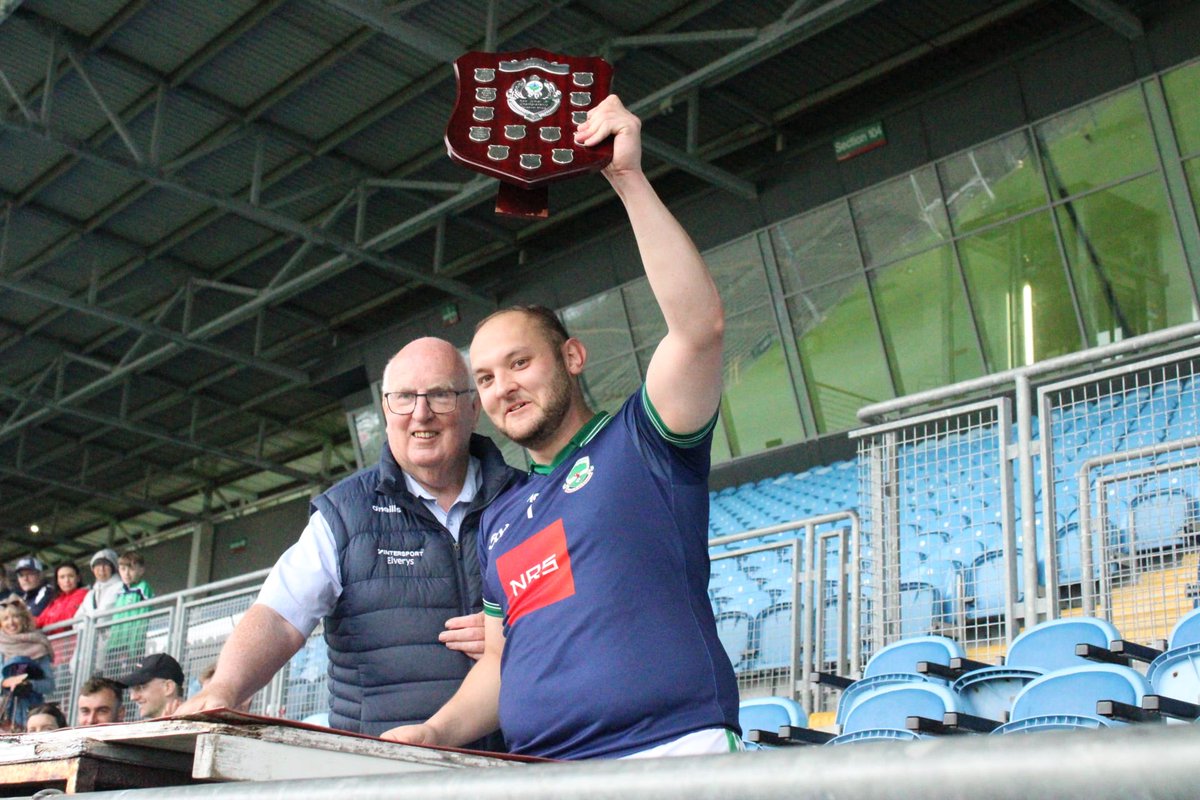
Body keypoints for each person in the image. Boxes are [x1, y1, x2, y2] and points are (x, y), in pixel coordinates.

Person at [382, 95, 740, 760]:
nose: (503, 387)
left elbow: (699, 329)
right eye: (486, 378)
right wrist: (435, 731)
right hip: (545, 774)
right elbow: (500, 663)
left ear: (572, 357)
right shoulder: (500, 519)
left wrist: (627, 178)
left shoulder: (644, 440)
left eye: (520, 363)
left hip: (668, 752)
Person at [177, 338, 521, 740]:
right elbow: (279, 617)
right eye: (404, 397)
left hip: (521, 758)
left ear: (473, 407)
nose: (420, 413)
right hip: (384, 762)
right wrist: (223, 688)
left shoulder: (528, 500)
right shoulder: (343, 513)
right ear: (385, 411)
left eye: (440, 395)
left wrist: (517, 634)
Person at [0, 599, 55, 730]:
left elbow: (50, 685)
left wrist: (30, 684)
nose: (11, 622)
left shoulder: (38, 646)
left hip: (32, 712)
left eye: (15, 617)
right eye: (6, 619)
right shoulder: (1, 647)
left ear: (24, 619)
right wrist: (5, 683)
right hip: (5, 714)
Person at [115, 653, 184, 720]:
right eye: (131, 690)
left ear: (168, 687)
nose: (133, 697)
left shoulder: (190, 722)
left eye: (141, 687)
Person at [35, 563, 90, 628]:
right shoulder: (56, 599)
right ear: (57, 581)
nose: (67, 580)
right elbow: (40, 619)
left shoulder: (83, 593)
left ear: (78, 578)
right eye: (62, 577)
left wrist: (42, 623)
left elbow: (66, 618)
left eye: (70, 576)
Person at [84, 549, 123, 616]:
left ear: (113, 568)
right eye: (97, 565)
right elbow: (78, 617)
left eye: (106, 564)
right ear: (92, 569)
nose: (101, 569)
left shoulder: (121, 586)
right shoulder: (90, 594)